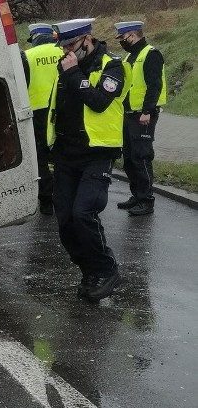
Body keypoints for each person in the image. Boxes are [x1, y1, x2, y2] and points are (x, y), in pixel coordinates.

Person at [46, 18, 128, 302]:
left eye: (71, 45)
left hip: (97, 153)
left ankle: (106, 269)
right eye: (63, 46)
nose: (66, 51)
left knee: (84, 213)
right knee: (66, 221)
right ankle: (89, 270)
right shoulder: (67, 66)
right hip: (66, 153)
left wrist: (74, 74)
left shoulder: (113, 66)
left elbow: (98, 101)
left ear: (87, 39)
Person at [114, 20, 166, 217]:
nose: (122, 41)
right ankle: (137, 195)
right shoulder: (130, 56)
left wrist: (147, 111)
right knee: (129, 158)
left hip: (143, 116)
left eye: (123, 38)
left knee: (141, 157)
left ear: (132, 36)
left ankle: (146, 200)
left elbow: (155, 86)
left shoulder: (151, 54)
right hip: (128, 114)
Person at [21, 23, 62, 214]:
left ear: (34, 37)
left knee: (41, 156)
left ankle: (46, 200)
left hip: (37, 113)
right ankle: (65, 195)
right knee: (62, 153)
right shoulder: (64, 51)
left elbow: (21, 86)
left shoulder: (28, 56)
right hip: (63, 110)